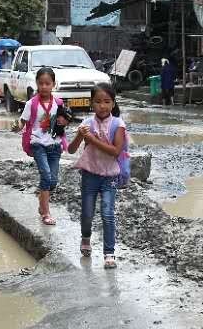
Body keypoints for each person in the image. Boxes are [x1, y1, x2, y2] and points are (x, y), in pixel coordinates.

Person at [68, 85, 127, 269]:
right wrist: (80, 135)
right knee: (87, 213)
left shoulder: (118, 124)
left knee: (108, 213)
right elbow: (70, 149)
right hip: (90, 175)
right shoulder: (86, 123)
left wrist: (92, 140)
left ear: (113, 103)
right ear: (91, 103)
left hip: (109, 176)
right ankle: (86, 238)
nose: (103, 106)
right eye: (98, 102)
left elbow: (116, 151)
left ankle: (109, 253)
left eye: (107, 102)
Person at [20, 66, 67, 226]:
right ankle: (46, 213)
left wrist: (64, 122)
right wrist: (16, 126)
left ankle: (42, 204)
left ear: (53, 84)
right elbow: (23, 121)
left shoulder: (59, 103)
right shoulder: (31, 104)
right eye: (41, 83)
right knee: (46, 176)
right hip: (38, 144)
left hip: (55, 145)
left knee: (53, 181)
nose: (44, 87)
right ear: (37, 84)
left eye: (48, 83)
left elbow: (64, 121)